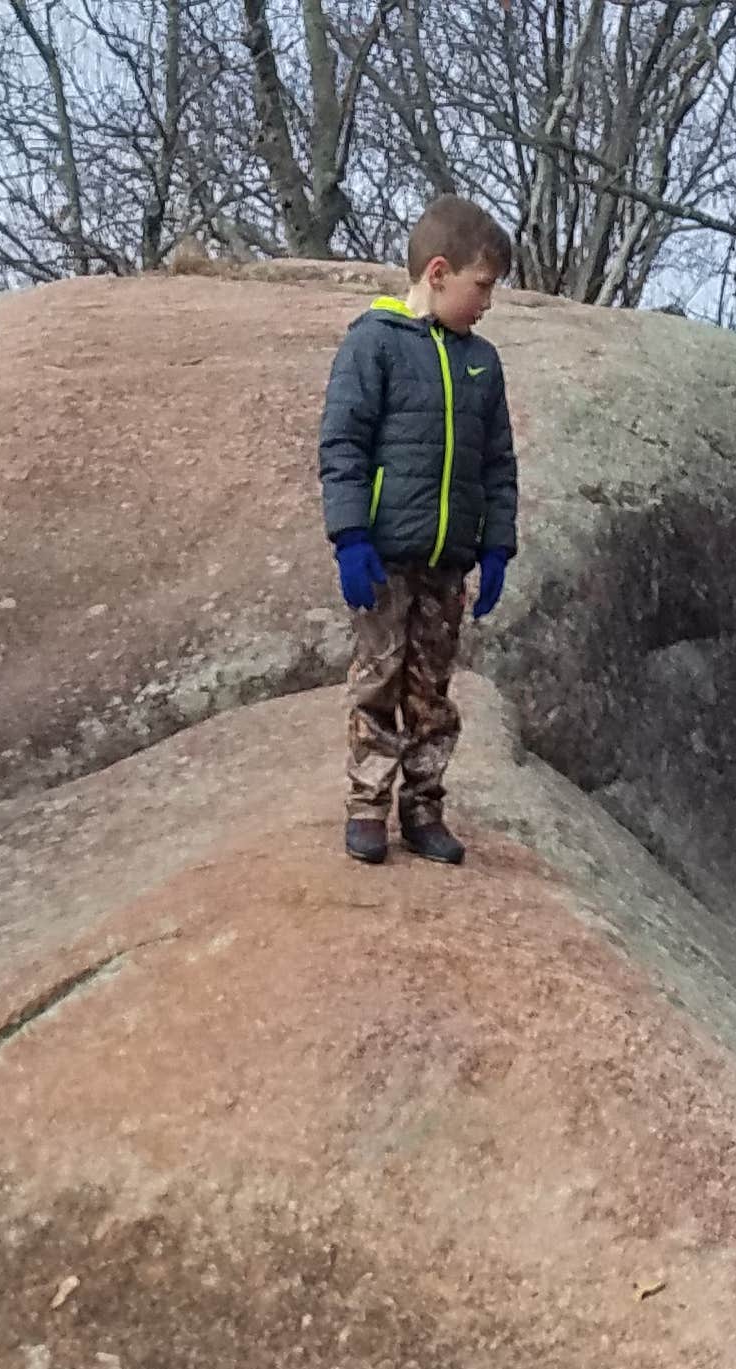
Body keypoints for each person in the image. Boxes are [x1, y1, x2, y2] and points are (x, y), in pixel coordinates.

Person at [317, 197, 518, 869]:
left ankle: (424, 808)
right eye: (482, 287)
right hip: (382, 555)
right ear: (439, 272)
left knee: (431, 691)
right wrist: (349, 538)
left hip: (447, 562)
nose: (488, 304)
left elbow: (498, 465)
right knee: (378, 681)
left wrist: (495, 547)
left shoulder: (482, 365)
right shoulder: (372, 343)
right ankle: (367, 807)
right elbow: (342, 445)